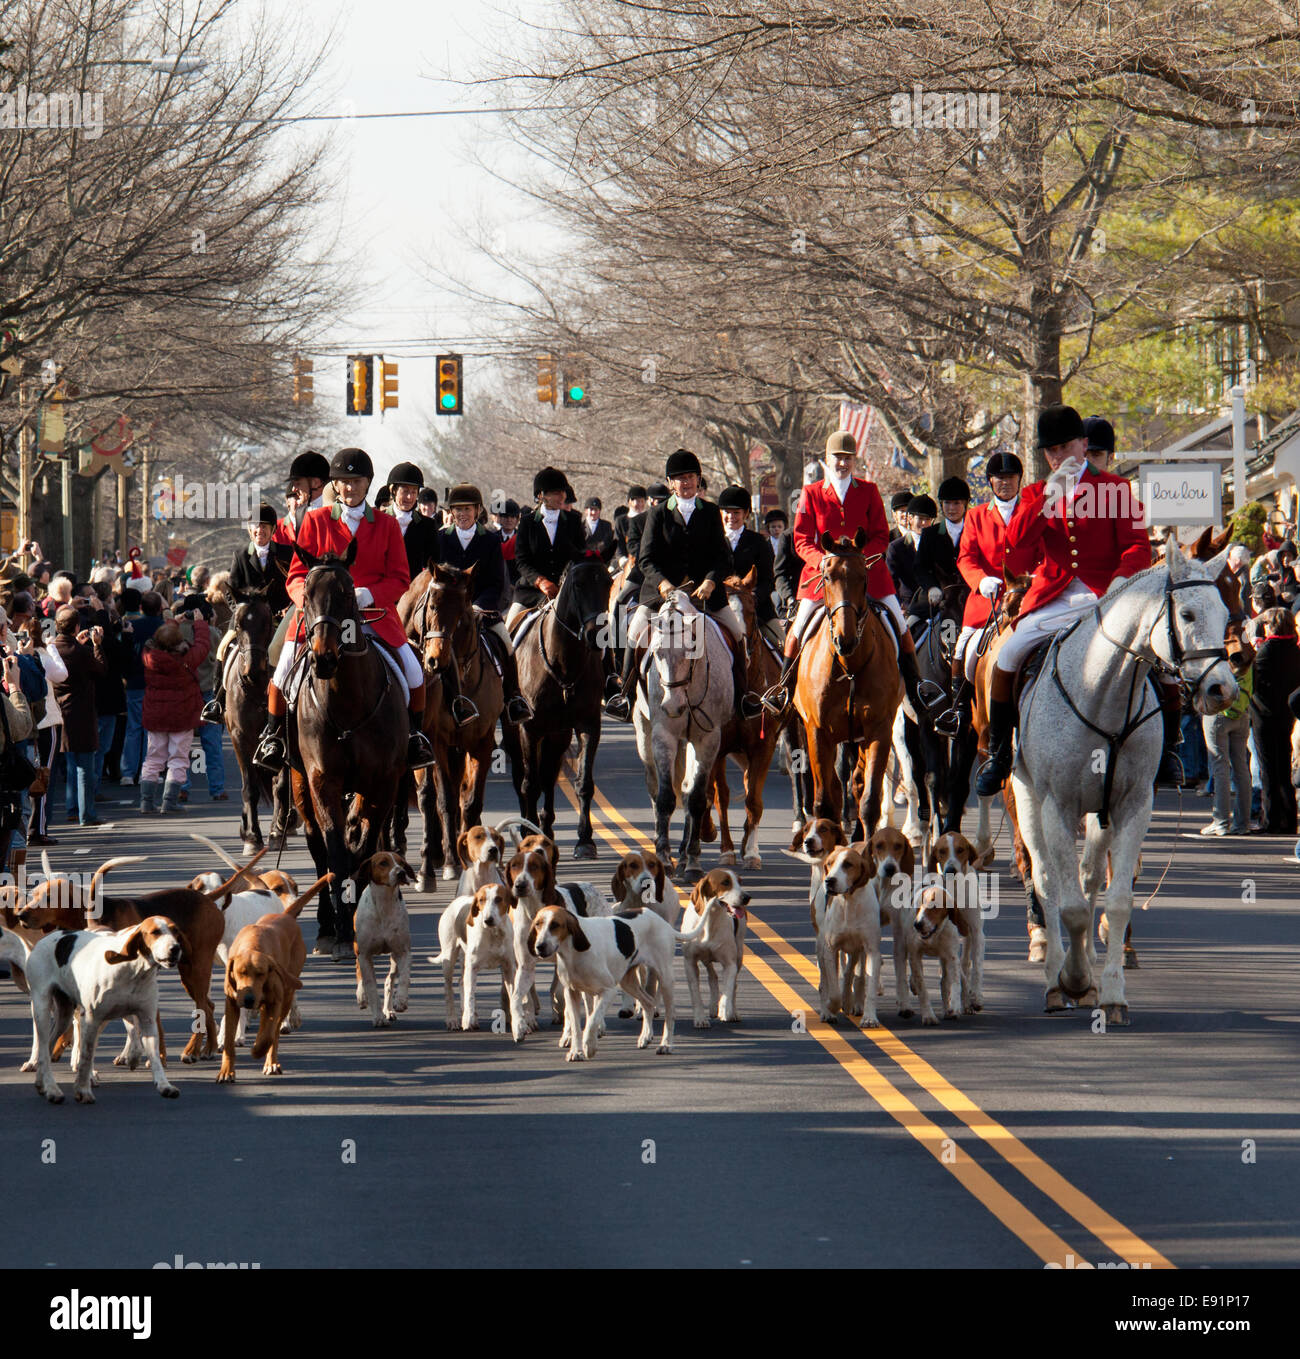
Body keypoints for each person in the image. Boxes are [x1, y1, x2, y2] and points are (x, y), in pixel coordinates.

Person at [975, 404, 1151, 795]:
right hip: (1053, 596)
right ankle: (1001, 753)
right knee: (1007, 655)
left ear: (1084, 445)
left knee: (1157, 656)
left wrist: (1122, 584)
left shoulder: (1115, 488)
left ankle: (1168, 745)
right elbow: (1016, 546)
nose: (1058, 457)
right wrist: (1049, 495)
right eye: (1050, 451)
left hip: (1106, 594)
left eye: (1065, 447)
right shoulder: (1037, 493)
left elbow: (1138, 546)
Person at [253, 447, 435, 773]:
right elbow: (295, 575)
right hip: (323, 618)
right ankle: (273, 736)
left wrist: (371, 594)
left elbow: (400, 578)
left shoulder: (387, 525)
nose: (350, 488)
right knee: (281, 673)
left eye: (357, 481)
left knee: (414, 671)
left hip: (372, 616)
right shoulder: (315, 520)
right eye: (344, 482)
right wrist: (308, 602)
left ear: (368, 484)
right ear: (335, 485)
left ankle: (415, 737)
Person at [764, 431, 944, 718]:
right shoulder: (811, 493)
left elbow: (880, 536)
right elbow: (801, 539)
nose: (843, 463)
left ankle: (916, 688)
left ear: (853, 460)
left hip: (867, 574)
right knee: (797, 630)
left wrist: (860, 562)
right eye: (838, 458)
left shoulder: (869, 490)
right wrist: (821, 561)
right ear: (827, 459)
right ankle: (783, 690)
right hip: (823, 577)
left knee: (900, 623)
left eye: (848, 458)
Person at [606, 448, 759, 722]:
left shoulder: (711, 512)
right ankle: (624, 696)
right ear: (670, 483)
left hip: (705, 595)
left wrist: (711, 581)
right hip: (660, 595)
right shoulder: (658, 515)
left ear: (698, 480)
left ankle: (743, 696)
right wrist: (663, 584)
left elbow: (722, 557)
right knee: (634, 633)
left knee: (737, 634)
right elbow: (646, 559)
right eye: (680, 478)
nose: (686, 482)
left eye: (691, 477)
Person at [935, 451, 1026, 735]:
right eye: (999, 478)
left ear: (1019, 480)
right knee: (964, 647)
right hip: (986, 600)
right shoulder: (975, 516)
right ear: (990, 481)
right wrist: (980, 580)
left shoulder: (1032, 511)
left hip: (1026, 599)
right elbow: (965, 558)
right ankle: (959, 709)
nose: (1005, 483)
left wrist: (1033, 579)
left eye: (1010, 478)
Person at [427, 483, 531, 724]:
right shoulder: (440, 538)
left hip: (480, 609)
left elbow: (496, 583)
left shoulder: (491, 541)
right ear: (451, 512)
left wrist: (478, 607)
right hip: (445, 615)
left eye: (467, 509)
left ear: (477, 510)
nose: (462, 514)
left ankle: (514, 697)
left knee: (506, 643)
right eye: (457, 509)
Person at [136, 614, 208, 813]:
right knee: (178, 758)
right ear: (178, 642)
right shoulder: (186, 657)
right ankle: (169, 802)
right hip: (181, 715)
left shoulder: (148, 657)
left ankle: (146, 802)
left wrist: (173, 621)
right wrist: (200, 623)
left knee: (153, 758)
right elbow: (202, 645)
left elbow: (161, 639)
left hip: (155, 714)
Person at [505, 467, 587, 627]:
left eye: (563, 492)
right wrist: (540, 581)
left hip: (565, 592)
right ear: (541, 495)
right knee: (509, 632)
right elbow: (521, 561)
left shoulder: (574, 520)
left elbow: (580, 555)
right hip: (531, 592)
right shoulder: (527, 522)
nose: (562, 496)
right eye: (556, 492)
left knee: (594, 625)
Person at [51, 605, 107, 827]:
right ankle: (87, 814)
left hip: (58, 712)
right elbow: (101, 669)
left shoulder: (52, 649)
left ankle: (71, 808)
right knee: (85, 766)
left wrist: (78, 643)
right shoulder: (80, 652)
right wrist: (97, 646)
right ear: (76, 626)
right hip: (81, 713)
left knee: (69, 765)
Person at [1250, 606, 1300, 834]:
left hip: (1263, 714)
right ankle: (1289, 819)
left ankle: (1270, 819)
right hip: (1288, 714)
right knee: (1285, 768)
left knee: (1268, 769)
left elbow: (1255, 682)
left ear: (1271, 626)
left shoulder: (1264, 651)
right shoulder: (1295, 650)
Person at [718, 485, 782, 650]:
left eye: (736, 513)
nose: (731, 517)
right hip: (720, 609)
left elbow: (768, 579)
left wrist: (752, 597)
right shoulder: (712, 542)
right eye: (727, 512)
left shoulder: (759, 542)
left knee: (785, 645)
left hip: (758, 610)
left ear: (746, 514)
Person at [1201, 649, 1253, 836]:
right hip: (1242, 714)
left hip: (1218, 714)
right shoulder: (1249, 659)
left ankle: (1221, 822)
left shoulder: (1219, 658)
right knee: (1241, 768)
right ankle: (1242, 823)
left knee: (1220, 767)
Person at [915, 476, 970, 603]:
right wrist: (931, 587)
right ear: (941, 504)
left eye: (956, 503)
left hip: (969, 595)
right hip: (937, 595)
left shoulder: (975, 531)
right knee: (912, 622)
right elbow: (920, 566)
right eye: (947, 503)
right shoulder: (930, 534)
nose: (951, 508)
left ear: (965, 503)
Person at [385, 461, 441, 581]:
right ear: (393, 491)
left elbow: (433, 564)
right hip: (383, 591)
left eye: (413, 492)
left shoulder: (428, 525)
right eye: (405, 491)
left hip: (414, 592)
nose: (409, 497)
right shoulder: (379, 520)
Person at [886, 493, 933, 609]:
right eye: (902, 511)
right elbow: (891, 579)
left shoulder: (935, 541)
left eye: (927, 519)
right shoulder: (891, 543)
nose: (906, 515)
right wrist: (897, 605)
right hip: (906, 604)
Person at [765, 507, 803, 618]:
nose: (776, 529)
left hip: (789, 585)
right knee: (777, 600)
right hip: (772, 586)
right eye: (773, 527)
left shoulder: (786, 540)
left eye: (779, 526)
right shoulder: (765, 545)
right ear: (768, 528)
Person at [614, 486, 648, 561]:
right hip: (626, 560)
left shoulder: (649, 519)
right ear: (629, 501)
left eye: (642, 501)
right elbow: (618, 544)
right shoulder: (620, 521)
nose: (640, 504)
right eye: (637, 501)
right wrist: (622, 559)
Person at [582, 497, 616, 563]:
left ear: (599, 511)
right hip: (584, 563)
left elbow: (608, 546)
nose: (593, 512)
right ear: (586, 510)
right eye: (591, 509)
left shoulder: (607, 526)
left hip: (602, 563)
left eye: (596, 509)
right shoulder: (580, 526)